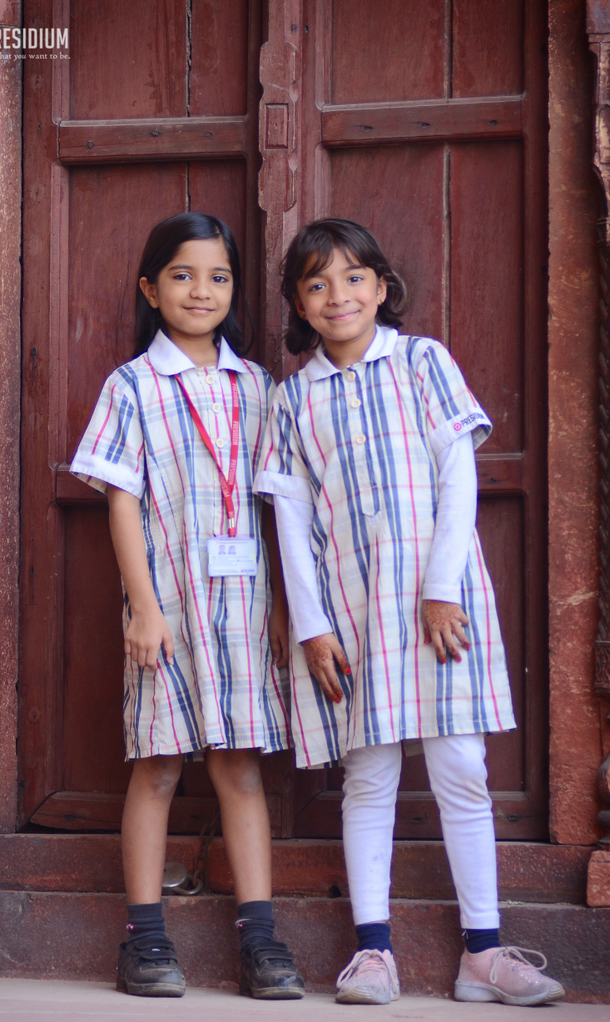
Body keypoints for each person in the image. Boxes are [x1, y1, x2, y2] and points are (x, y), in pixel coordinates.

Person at [254, 218, 564, 1007]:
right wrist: (313, 623)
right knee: (370, 775)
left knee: (461, 767)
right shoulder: (292, 400)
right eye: (316, 283)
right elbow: (290, 520)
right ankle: (371, 953)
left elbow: (458, 478)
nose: (337, 295)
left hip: (439, 603)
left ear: (382, 287)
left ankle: (483, 953)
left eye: (353, 278)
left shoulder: (422, 362)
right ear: (296, 301)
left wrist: (438, 587)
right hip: (351, 612)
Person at [70, 212, 304, 1000]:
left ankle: (261, 941)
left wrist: (281, 612)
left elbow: (276, 507)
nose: (200, 290)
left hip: (241, 607)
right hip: (164, 609)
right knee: (159, 764)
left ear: (234, 289)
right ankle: (145, 940)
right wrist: (141, 606)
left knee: (240, 769)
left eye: (217, 276)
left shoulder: (258, 388)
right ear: (150, 287)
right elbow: (121, 501)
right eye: (181, 274)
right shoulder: (131, 385)